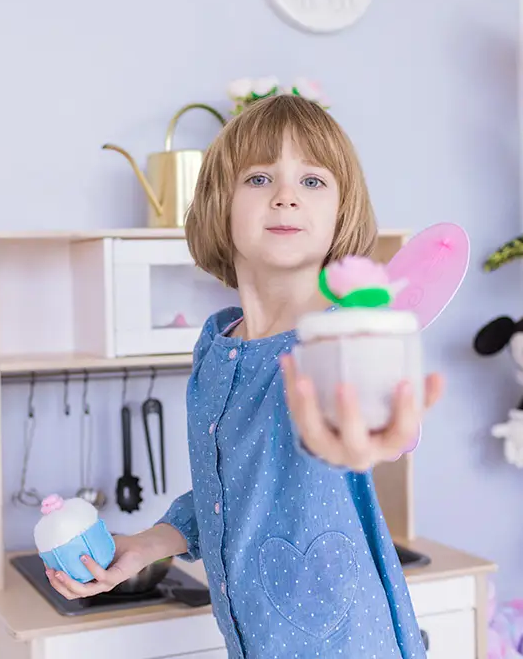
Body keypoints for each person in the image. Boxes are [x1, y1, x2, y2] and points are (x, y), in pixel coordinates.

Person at [45, 94, 444, 658]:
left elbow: (381, 419)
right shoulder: (218, 346)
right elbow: (232, 491)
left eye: (312, 181)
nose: (285, 195)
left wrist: (379, 429)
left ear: (342, 212)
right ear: (219, 205)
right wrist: (152, 542)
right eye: (259, 178)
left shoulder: (341, 338)